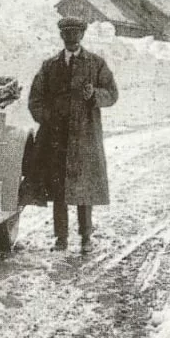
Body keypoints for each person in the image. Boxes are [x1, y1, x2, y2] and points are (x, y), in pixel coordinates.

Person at [26, 17, 118, 251]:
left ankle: (86, 237)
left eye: (76, 33)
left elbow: (112, 93)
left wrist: (94, 95)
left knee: (83, 188)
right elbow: (35, 99)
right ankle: (61, 238)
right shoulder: (50, 66)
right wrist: (46, 117)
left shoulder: (96, 64)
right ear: (61, 36)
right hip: (56, 138)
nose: (71, 38)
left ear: (82, 36)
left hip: (84, 137)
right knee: (59, 189)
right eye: (67, 34)